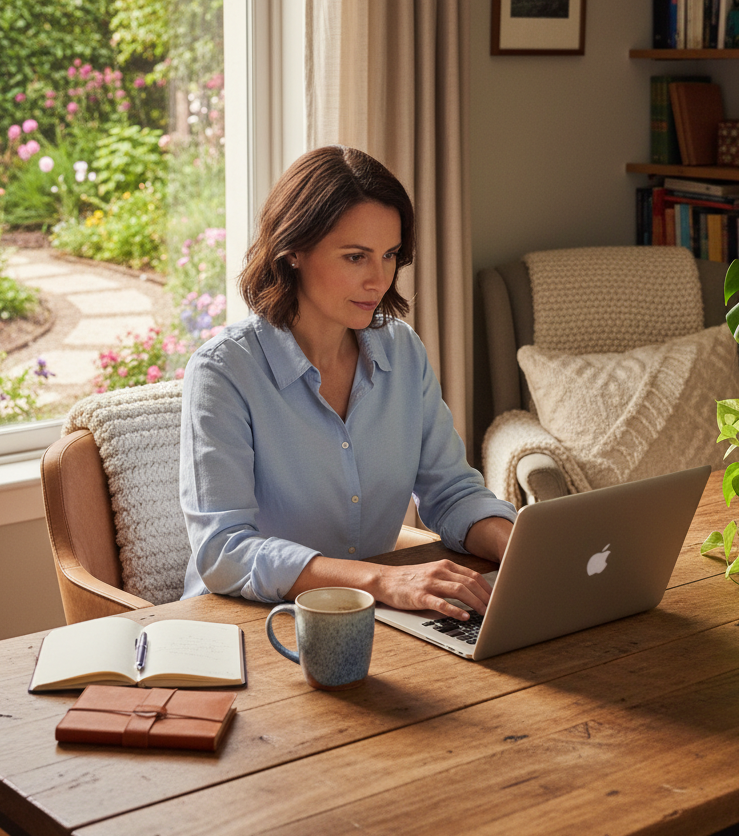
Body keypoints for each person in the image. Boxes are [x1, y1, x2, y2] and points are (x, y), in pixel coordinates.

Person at [179, 145, 516, 620]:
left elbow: (451, 492)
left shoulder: (402, 351)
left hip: (373, 620)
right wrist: (381, 580)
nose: (378, 281)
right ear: (292, 251)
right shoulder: (223, 372)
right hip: (248, 626)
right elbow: (223, 551)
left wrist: (520, 550)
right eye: (355, 257)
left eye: (390, 255)